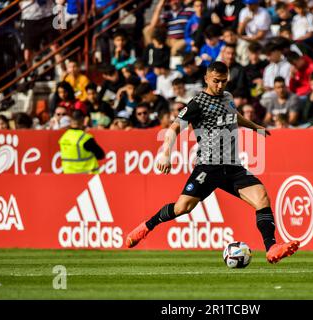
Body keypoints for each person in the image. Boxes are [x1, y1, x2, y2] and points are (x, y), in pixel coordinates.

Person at [126, 61, 300, 264]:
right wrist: (165, 153)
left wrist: (254, 126)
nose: (220, 86)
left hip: (233, 166)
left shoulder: (227, 97)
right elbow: (173, 128)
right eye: (216, 81)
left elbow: (233, 116)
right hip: (208, 166)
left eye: (224, 81)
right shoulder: (197, 103)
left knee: (262, 198)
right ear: (207, 78)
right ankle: (146, 226)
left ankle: (272, 248)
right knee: (182, 208)